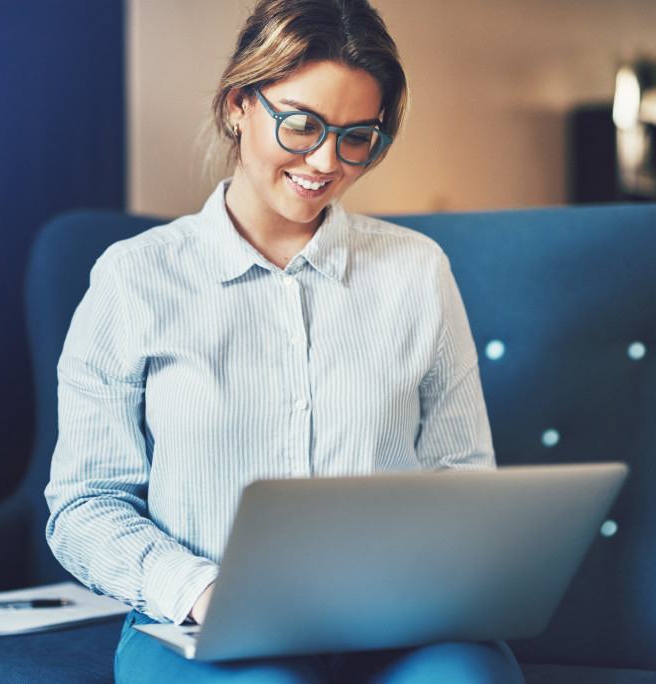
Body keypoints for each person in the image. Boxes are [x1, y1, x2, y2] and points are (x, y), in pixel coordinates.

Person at [45, 0, 524, 681]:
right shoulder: (134, 279)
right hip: (198, 623)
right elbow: (84, 504)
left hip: (395, 621)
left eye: (359, 136)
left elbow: (461, 478)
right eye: (302, 125)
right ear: (240, 104)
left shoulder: (418, 272)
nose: (326, 160)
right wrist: (201, 590)